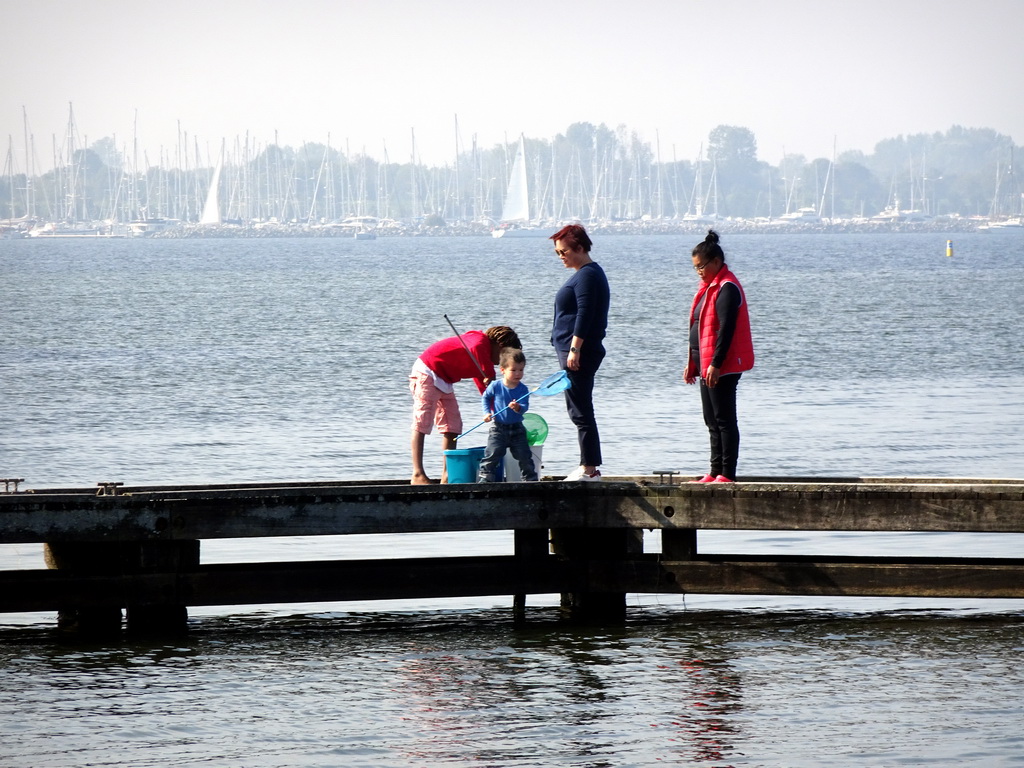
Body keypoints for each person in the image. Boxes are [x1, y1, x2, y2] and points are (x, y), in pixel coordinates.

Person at [683, 230, 754, 483]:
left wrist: (715, 363)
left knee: (724, 419)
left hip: (722, 365)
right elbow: (700, 330)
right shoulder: (707, 289)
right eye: (695, 268)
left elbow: (726, 330)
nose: (699, 271)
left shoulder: (727, 288)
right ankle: (714, 471)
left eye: (701, 266)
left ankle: (727, 473)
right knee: (710, 419)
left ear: (716, 262)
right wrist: (693, 363)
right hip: (706, 365)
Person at [410, 325, 521, 484]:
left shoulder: (481, 359)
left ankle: (447, 476)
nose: (502, 362)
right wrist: (489, 373)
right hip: (427, 371)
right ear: (500, 346)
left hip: (445, 379)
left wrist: (498, 412)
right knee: (422, 421)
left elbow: (487, 391)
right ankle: (417, 474)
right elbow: (476, 347)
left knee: (452, 426)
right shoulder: (480, 343)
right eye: (505, 356)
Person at [549, 224, 610, 482]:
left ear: (580, 248)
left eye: (564, 252)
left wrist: (575, 348)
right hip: (572, 350)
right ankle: (587, 464)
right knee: (577, 408)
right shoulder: (586, 274)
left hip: (578, 352)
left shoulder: (587, 275)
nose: (561, 256)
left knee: (580, 410)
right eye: (557, 253)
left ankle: (590, 468)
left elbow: (585, 313)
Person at [477, 348, 538, 483]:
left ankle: (530, 480)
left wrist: (517, 408)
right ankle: (485, 478)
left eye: (521, 370)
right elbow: (485, 398)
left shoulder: (523, 389)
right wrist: (487, 413)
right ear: (503, 370)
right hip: (498, 428)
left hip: (517, 429)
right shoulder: (495, 386)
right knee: (492, 453)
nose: (518, 374)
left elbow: (524, 407)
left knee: (524, 456)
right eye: (514, 370)